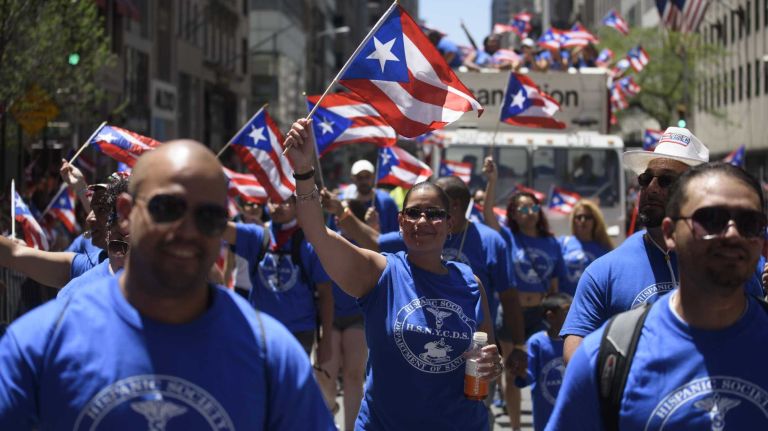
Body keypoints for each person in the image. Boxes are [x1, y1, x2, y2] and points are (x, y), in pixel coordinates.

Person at [0, 140, 335, 429]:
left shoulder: (271, 355)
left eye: (208, 217)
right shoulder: (42, 344)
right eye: (167, 209)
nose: (188, 231)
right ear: (126, 212)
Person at [284, 119, 504, 429]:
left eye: (434, 214)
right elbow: (317, 233)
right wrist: (304, 171)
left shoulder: (471, 283)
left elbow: (487, 355)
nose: (422, 221)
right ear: (400, 222)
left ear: (450, 223)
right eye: (413, 213)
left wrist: (493, 365)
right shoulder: (380, 274)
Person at [547, 162, 768, 430]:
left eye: (750, 223)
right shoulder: (607, 359)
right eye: (711, 220)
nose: (732, 233)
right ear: (670, 233)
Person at [560, 128, 767, 364]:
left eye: (667, 180)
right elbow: (574, 357)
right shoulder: (603, 273)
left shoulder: (739, 263)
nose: (652, 188)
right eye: (646, 179)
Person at [483, 156, 566, 431]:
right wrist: (492, 181)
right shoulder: (508, 237)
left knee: (541, 368)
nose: (528, 211)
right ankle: (517, 428)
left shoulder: (552, 242)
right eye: (522, 208)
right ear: (514, 214)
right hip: (513, 314)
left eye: (532, 207)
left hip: (543, 314)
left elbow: (555, 286)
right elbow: (488, 218)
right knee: (512, 371)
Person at [222, 196, 334, 362]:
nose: (278, 206)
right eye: (273, 200)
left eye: (285, 201)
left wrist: (326, 340)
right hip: (262, 330)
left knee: (291, 387)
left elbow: (325, 294)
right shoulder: (257, 236)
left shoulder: (310, 242)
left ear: (297, 206)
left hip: (299, 332)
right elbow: (220, 229)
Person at [515, 293, 573, 431]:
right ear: (550, 316)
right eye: (566, 312)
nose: (572, 316)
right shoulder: (537, 342)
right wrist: (520, 370)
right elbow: (527, 377)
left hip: (572, 415)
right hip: (545, 418)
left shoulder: (575, 342)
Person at [557, 200, 613, 296]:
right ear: (573, 220)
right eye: (579, 217)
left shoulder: (605, 249)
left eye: (587, 217)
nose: (583, 220)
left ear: (595, 221)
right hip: (564, 304)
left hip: (591, 304)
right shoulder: (563, 243)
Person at [341, 159, 399, 234]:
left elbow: (397, 234)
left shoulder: (387, 202)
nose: (364, 181)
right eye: (359, 177)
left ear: (373, 177)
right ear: (353, 178)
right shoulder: (343, 204)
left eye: (367, 176)